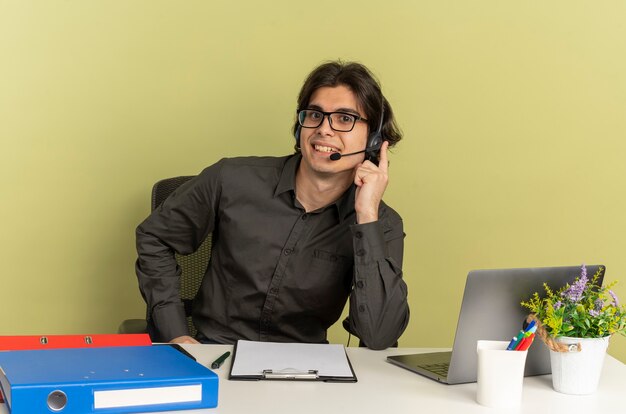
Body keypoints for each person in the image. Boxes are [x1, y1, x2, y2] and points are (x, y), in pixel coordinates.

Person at [135, 60, 409, 350]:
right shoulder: (231, 179)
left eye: (344, 119)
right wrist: (174, 332)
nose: (324, 129)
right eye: (315, 114)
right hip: (217, 352)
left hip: (306, 366)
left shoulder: (382, 224)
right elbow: (155, 236)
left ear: (375, 138)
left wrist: (366, 216)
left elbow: (380, 336)